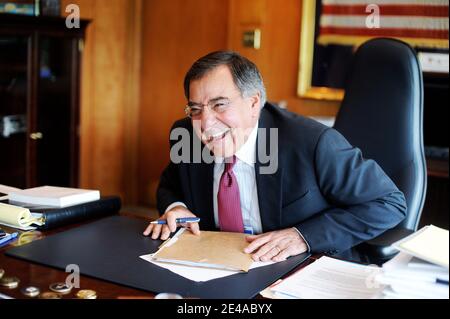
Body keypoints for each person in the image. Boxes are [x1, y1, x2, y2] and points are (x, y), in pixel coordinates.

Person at [143, 51, 406, 262]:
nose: (206, 123)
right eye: (196, 109)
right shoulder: (186, 134)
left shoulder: (311, 143)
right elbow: (170, 185)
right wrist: (175, 207)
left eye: (219, 105)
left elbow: (388, 202)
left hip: (303, 269)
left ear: (254, 103)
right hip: (215, 268)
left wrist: (302, 236)